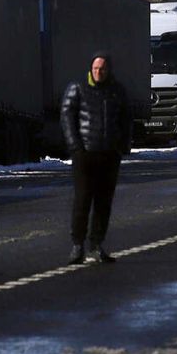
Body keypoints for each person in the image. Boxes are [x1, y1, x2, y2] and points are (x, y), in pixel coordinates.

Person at [61, 52, 132, 265]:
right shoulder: (78, 89)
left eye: (102, 69)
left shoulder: (117, 91)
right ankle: (77, 245)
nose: (98, 72)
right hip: (85, 155)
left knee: (104, 202)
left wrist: (122, 146)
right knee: (82, 200)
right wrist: (75, 147)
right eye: (95, 69)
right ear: (90, 69)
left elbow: (126, 119)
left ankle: (97, 244)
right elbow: (66, 116)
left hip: (109, 155)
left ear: (108, 70)